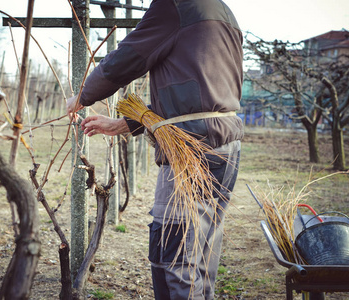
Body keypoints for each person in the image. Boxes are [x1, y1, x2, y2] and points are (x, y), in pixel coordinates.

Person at [66, 0, 243, 298]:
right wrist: (123, 124)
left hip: (193, 152)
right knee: (201, 253)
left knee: (174, 258)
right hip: (225, 148)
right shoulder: (222, 11)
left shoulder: (174, 5)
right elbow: (193, 93)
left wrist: (83, 94)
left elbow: (128, 57)